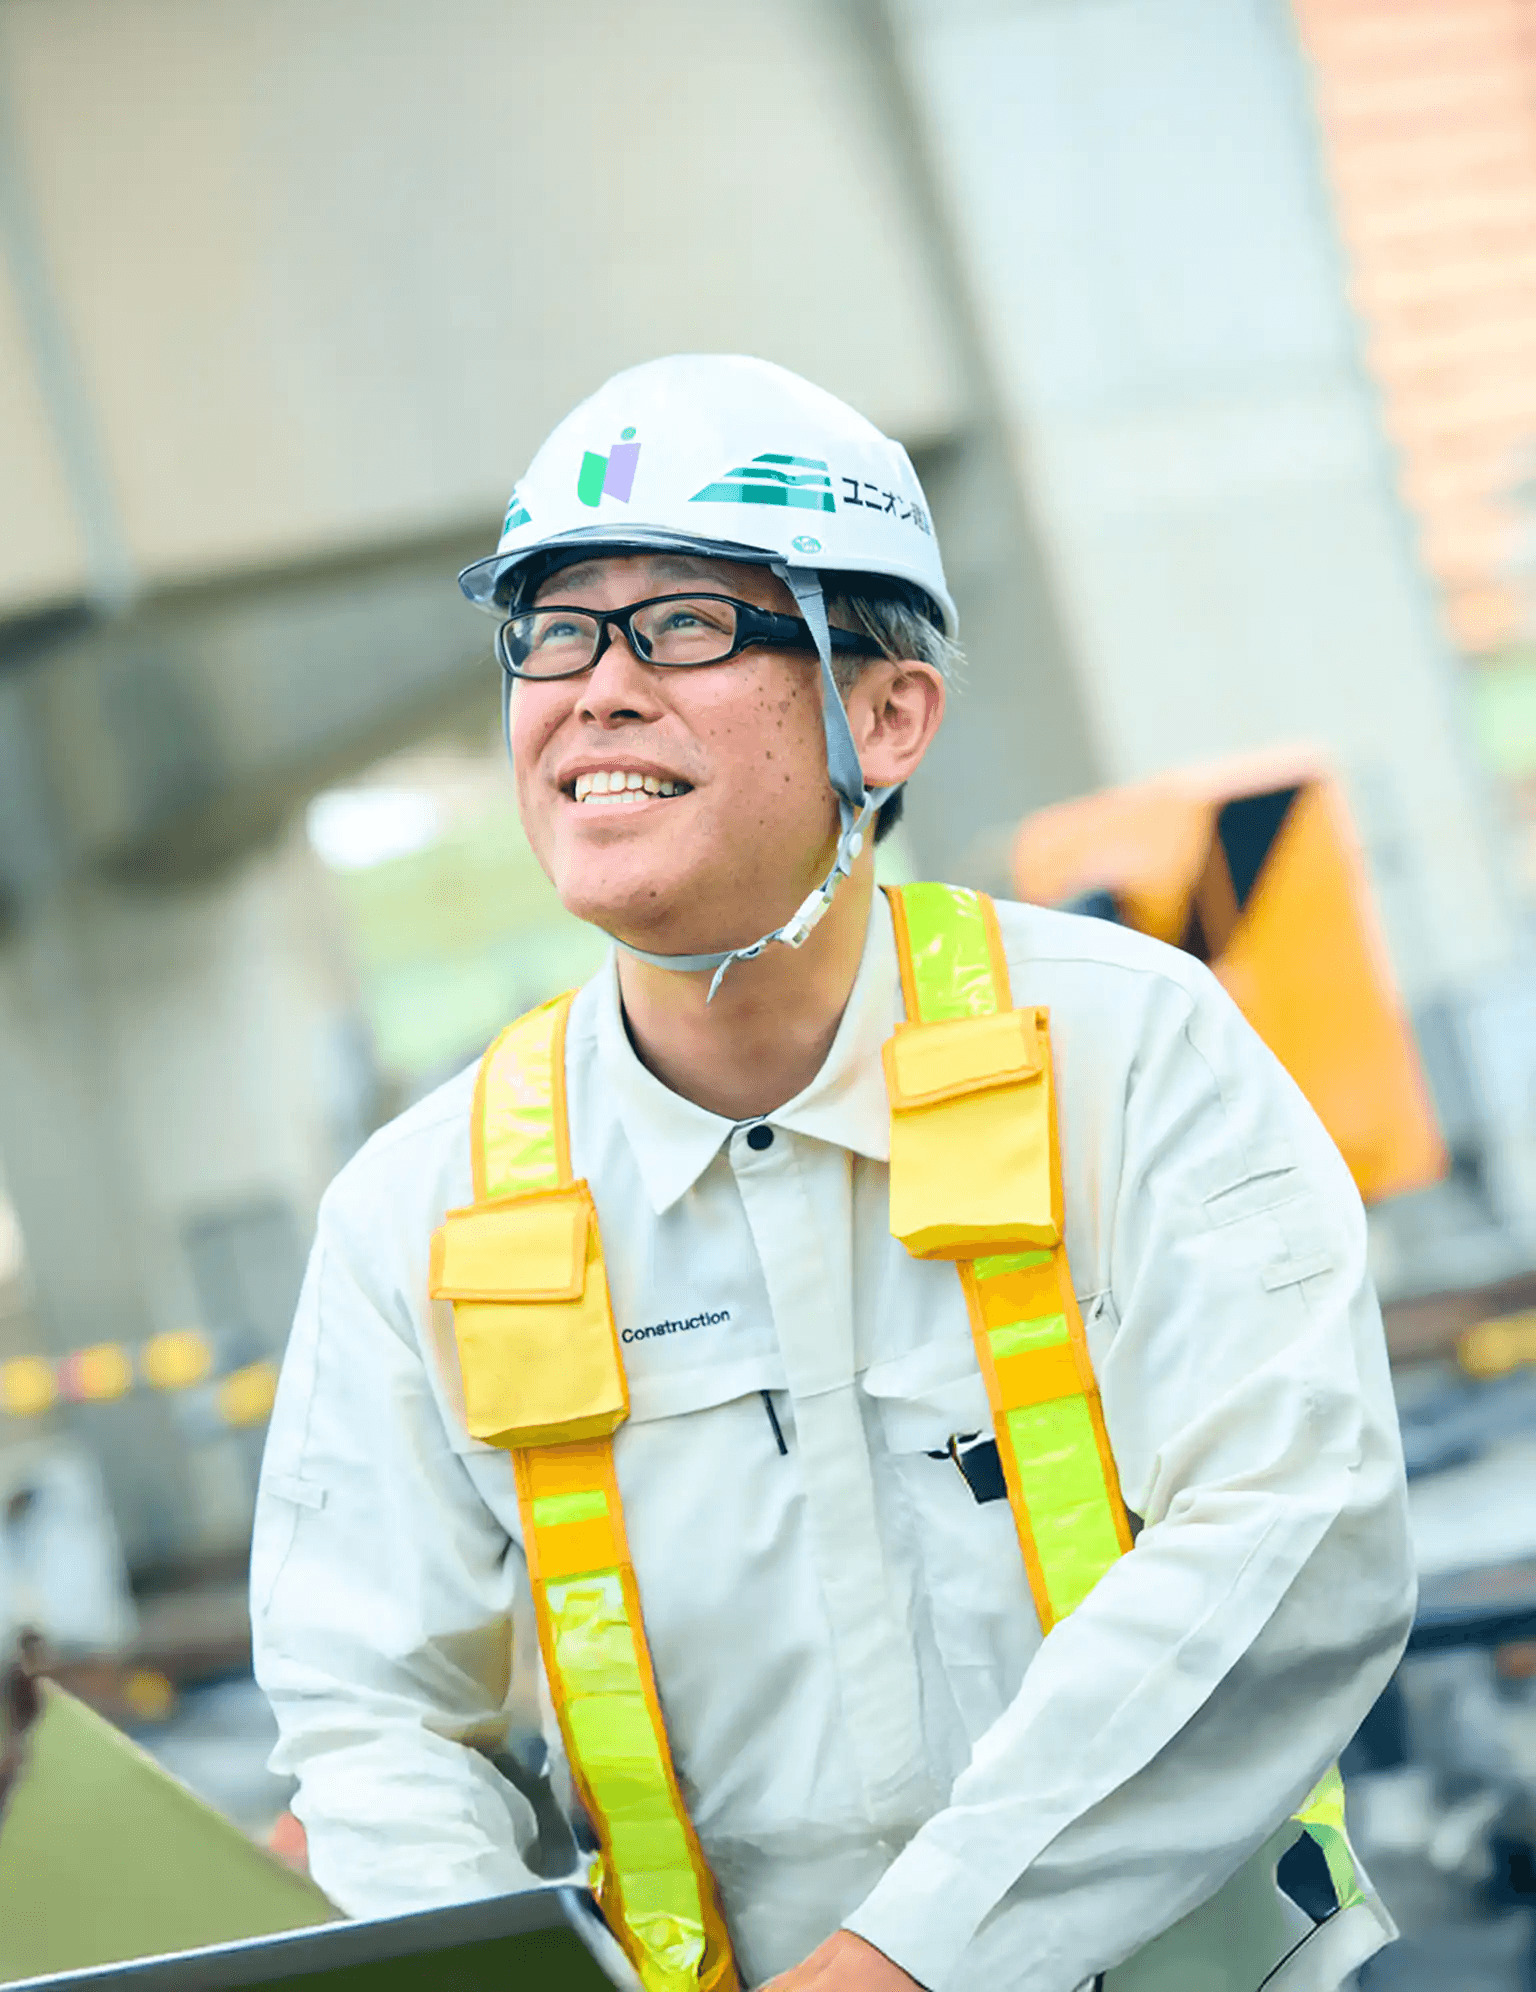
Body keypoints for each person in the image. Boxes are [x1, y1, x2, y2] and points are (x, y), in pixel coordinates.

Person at [252, 355, 1414, 1992]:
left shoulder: (1131, 1052)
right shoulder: (417, 1212)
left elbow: (1292, 1534)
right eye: (555, 629)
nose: (596, 687)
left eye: (686, 625)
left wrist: (907, 1964)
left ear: (887, 713)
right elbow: (372, 1717)